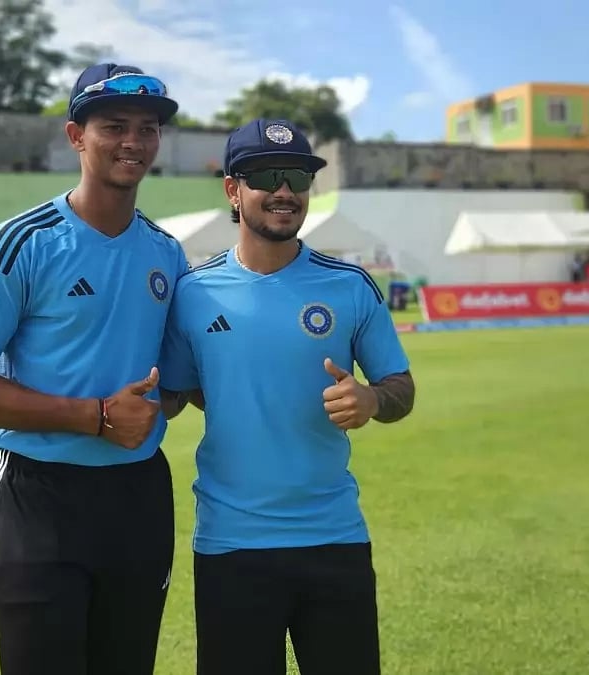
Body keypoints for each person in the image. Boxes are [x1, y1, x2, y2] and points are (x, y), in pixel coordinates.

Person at [0, 63, 191, 675]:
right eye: (114, 126)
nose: (134, 141)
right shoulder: (18, 243)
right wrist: (96, 417)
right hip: (39, 496)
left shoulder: (166, 252)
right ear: (76, 136)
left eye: (148, 129)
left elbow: (175, 380)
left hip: (138, 494)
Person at [159, 119, 417, 675]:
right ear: (233, 189)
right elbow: (180, 392)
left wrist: (370, 401)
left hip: (334, 538)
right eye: (266, 176)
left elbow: (401, 387)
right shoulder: (193, 294)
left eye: (298, 177)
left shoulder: (349, 286)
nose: (284, 191)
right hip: (232, 544)